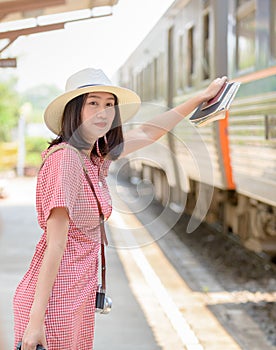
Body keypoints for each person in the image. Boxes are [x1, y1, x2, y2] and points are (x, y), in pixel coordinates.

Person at [13, 68, 227, 350]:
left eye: (109, 104)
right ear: (74, 111)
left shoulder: (94, 157)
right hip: (56, 299)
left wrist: (200, 97)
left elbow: (148, 132)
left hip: (80, 295)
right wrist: (35, 321)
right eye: (93, 103)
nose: (103, 112)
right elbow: (55, 244)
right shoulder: (65, 160)